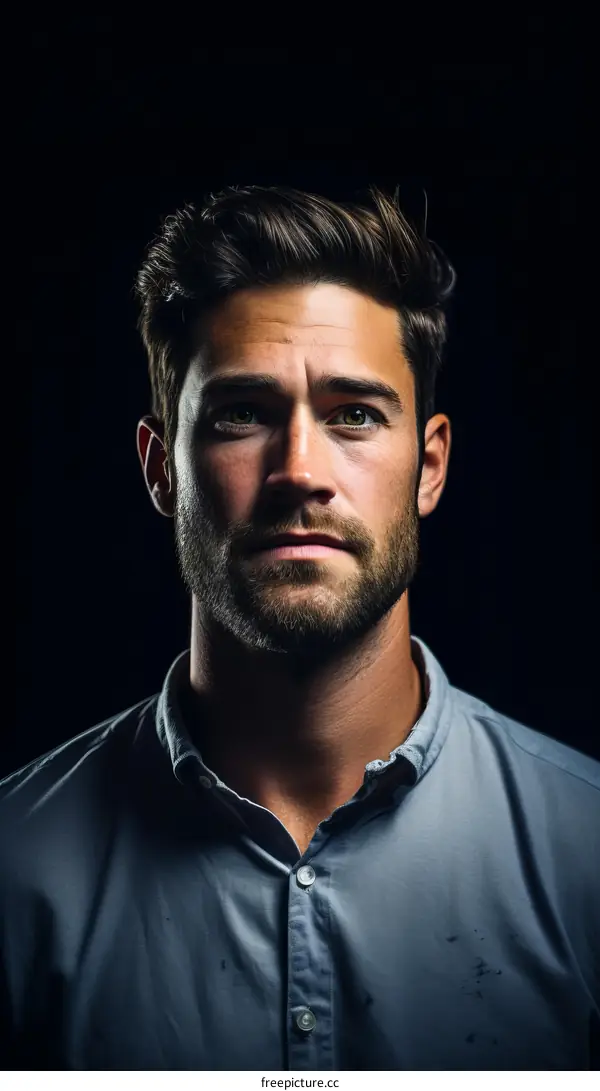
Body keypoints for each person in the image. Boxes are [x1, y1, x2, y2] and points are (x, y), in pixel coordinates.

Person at [1, 184, 598, 1072]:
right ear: (162, 467)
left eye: (354, 413)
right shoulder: (14, 871)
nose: (299, 471)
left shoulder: (584, 852)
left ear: (429, 466)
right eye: (243, 412)